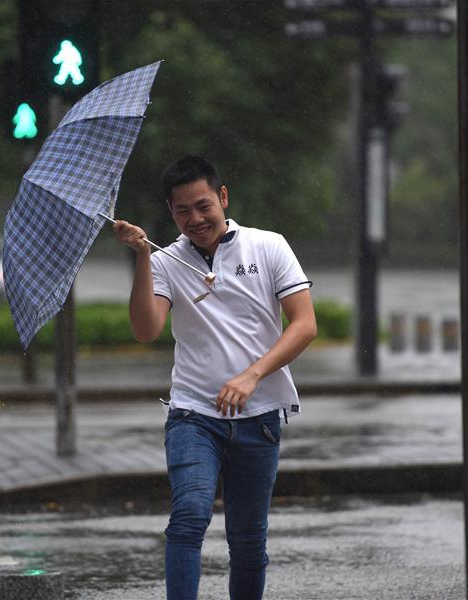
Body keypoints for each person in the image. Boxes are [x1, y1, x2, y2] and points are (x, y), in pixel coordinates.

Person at [113, 156, 317, 600]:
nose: (195, 218)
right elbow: (146, 330)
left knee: (247, 539)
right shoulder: (167, 260)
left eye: (203, 205)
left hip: (259, 415)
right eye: (182, 210)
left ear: (223, 198)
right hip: (193, 414)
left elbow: (304, 325)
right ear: (171, 212)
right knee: (188, 514)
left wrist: (252, 375)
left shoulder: (268, 246)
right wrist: (144, 258)